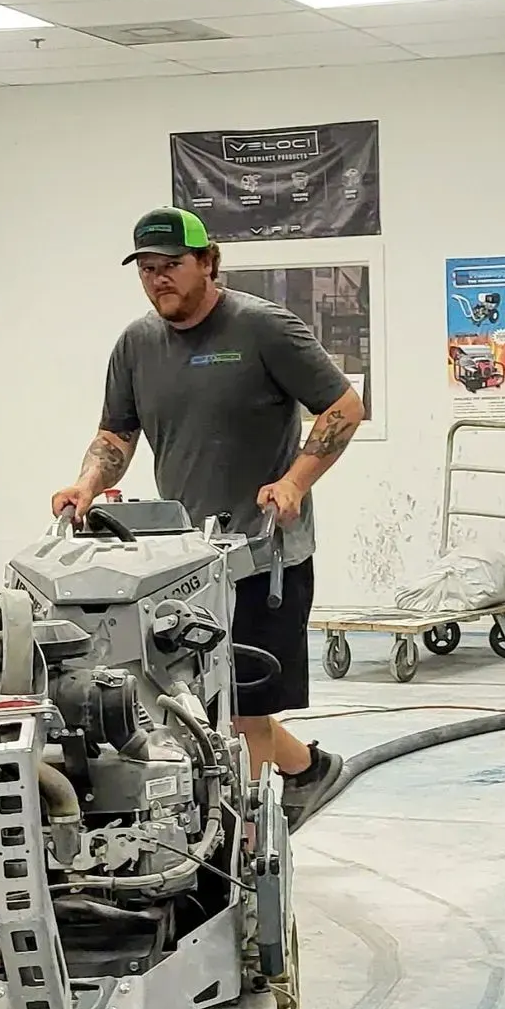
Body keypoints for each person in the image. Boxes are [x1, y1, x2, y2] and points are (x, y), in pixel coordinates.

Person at [52, 206, 365, 820]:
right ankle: (309, 769)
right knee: (197, 706)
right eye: (146, 269)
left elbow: (344, 408)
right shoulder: (137, 345)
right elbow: (116, 436)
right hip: (181, 566)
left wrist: (294, 482)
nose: (158, 279)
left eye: (171, 265)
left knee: (243, 710)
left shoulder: (264, 328)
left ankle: (240, 836)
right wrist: (86, 484)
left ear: (208, 262)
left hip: (262, 557)